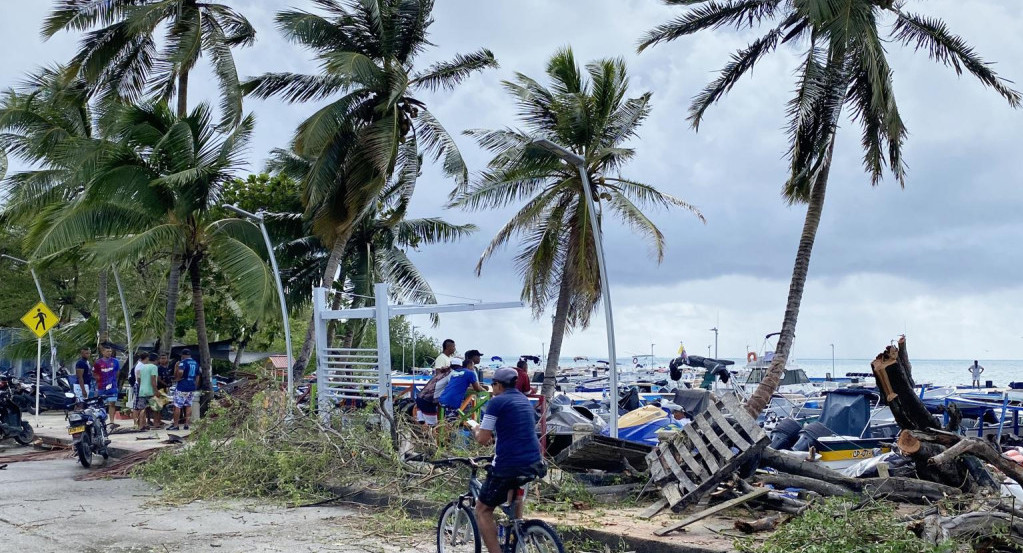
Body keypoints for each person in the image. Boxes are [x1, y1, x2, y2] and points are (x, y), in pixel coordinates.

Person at [466, 367, 544, 553]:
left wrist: (475, 427)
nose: (492, 388)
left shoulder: (496, 402)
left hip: (509, 464)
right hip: (534, 461)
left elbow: (483, 439)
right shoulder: (523, 400)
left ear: (498, 385)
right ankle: (517, 528)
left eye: (493, 385)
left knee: (483, 510)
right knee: (513, 488)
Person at [168, 349, 200, 431]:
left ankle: (176, 425)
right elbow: (197, 376)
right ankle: (186, 424)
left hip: (182, 387)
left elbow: (181, 372)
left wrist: (177, 377)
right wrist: (195, 385)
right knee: (188, 405)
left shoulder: (183, 362)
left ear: (183, 355)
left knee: (177, 406)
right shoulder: (196, 363)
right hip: (191, 387)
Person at [93, 347, 121, 422]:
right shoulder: (98, 362)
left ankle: (112, 421)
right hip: (101, 387)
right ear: (103, 352)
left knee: (112, 404)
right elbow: (95, 374)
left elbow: (118, 373)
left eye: (110, 351)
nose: (109, 353)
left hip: (112, 387)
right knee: (101, 405)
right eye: (107, 351)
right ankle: (102, 420)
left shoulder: (115, 361)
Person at [134, 352, 159, 430]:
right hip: (151, 391)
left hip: (142, 391)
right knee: (156, 408)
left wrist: (142, 386)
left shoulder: (142, 367)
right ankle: (156, 424)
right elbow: (153, 380)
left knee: (142, 409)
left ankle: (141, 425)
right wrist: (156, 391)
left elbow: (138, 379)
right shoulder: (154, 367)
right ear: (155, 360)